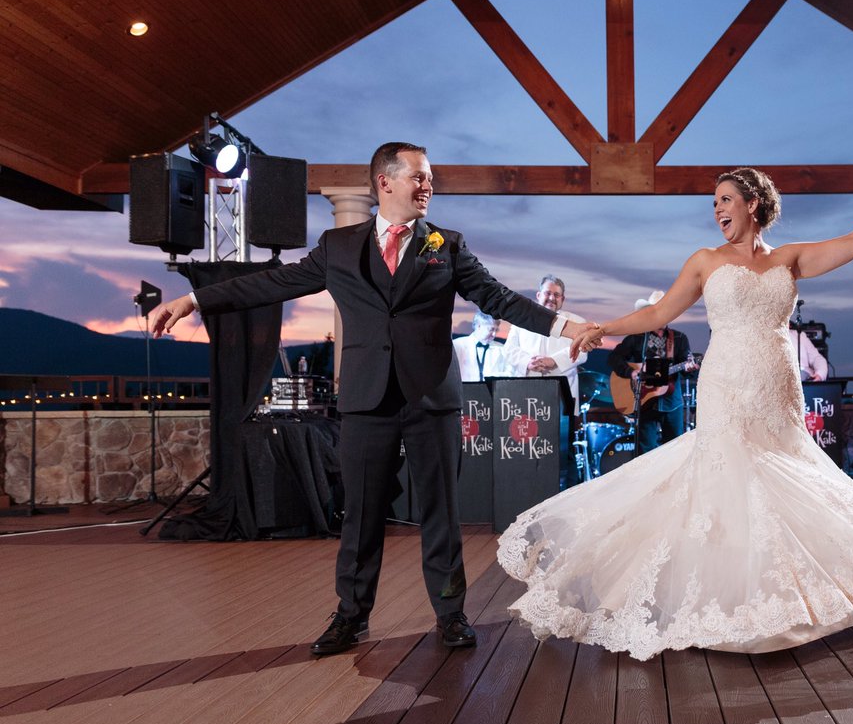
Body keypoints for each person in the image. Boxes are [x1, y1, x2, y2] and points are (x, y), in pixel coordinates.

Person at [497, 165, 853, 661]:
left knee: (784, 484)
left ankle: (775, 603)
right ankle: (720, 603)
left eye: (725, 200)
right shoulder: (704, 261)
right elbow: (658, 315)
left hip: (778, 387)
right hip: (727, 384)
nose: (717, 210)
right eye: (714, 202)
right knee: (727, 484)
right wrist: (603, 327)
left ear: (752, 205)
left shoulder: (790, 258)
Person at [149, 141, 590, 656]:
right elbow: (272, 283)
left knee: (440, 513)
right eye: (419, 177)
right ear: (385, 181)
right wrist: (193, 299)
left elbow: (499, 298)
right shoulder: (338, 247)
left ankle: (451, 614)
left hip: (431, 400)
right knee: (359, 514)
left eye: (430, 179)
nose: (428, 186)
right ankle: (350, 615)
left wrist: (563, 326)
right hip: (364, 399)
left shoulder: (445, 245)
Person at [609, 290, 696, 454]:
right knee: (645, 454)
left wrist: (690, 368)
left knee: (675, 451)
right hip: (644, 403)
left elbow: (686, 370)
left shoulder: (679, 338)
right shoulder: (637, 338)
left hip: (672, 403)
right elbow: (614, 358)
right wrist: (631, 373)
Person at [503, 275, 589, 413]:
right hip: (526, 389)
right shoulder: (521, 318)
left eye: (557, 295)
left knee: (560, 431)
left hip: (561, 392)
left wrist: (554, 360)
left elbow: (582, 351)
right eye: (548, 293)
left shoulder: (577, 322)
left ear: (563, 299)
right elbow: (508, 349)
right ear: (538, 295)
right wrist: (527, 362)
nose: (552, 298)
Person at [453, 311, 510, 381]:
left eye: (496, 330)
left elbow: (509, 373)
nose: (494, 334)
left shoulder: (502, 348)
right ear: (479, 326)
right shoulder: (457, 345)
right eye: (491, 329)